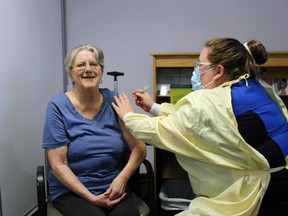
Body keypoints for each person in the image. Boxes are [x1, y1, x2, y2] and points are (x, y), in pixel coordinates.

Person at [112, 38, 288, 216]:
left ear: (218, 70)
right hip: (280, 183)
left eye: (200, 65)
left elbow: (165, 130)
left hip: (254, 195)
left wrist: (128, 116)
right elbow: (195, 119)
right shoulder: (256, 87)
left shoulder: (209, 101)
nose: (196, 70)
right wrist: (153, 107)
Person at [42, 44, 146, 216]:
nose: (88, 69)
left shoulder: (116, 101)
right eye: (81, 65)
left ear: (102, 71)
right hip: (72, 191)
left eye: (94, 64)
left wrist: (122, 178)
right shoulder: (57, 106)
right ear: (70, 73)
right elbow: (58, 164)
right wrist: (91, 198)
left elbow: (139, 148)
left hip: (113, 186)